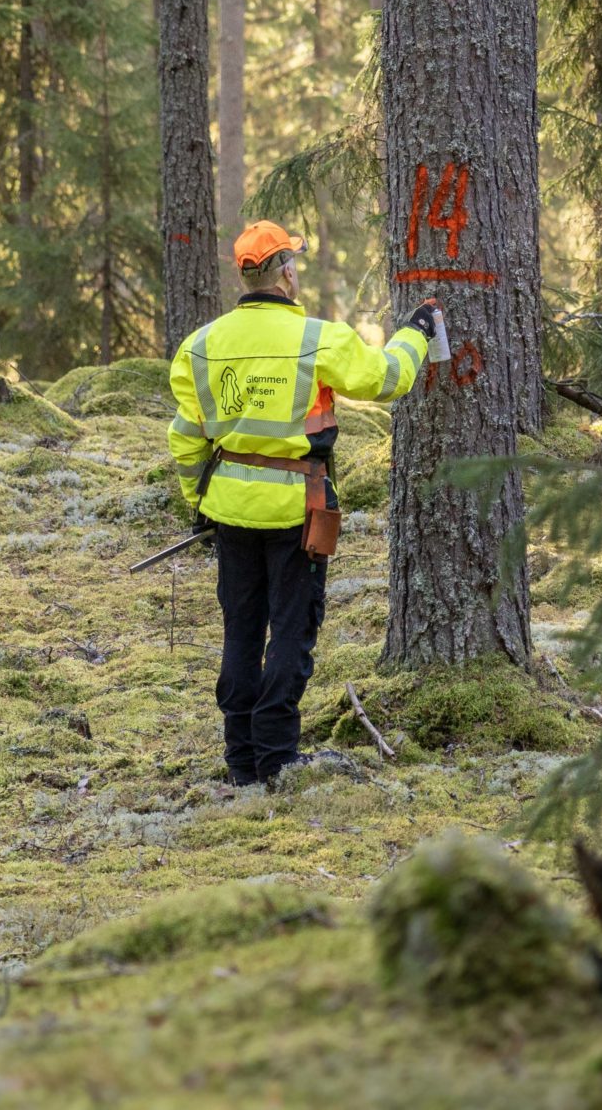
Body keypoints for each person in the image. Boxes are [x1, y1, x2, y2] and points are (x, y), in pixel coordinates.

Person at [167, 221, 442, 786]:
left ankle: (242, 757)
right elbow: (386, 379)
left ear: (245, 275)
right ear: (286, 272)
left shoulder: (199, 347)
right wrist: (415, 333)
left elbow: (187, 439)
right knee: (292, 629)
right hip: (299, 512)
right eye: (295, 263)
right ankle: (276, 756)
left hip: (231, 513)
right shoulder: (320, 338)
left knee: (241, 629)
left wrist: (200, 501)